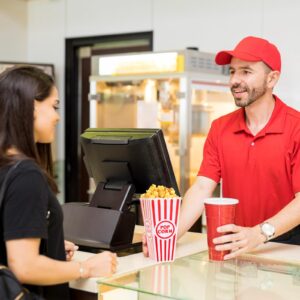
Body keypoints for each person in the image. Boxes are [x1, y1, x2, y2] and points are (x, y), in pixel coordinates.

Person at [142, 36, 300, 260]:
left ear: (272, 78)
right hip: (235, 244)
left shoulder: (296, 128)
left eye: (246, 71)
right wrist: (169, 236)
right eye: (232, 71)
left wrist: (259, 233)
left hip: (287, 247)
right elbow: (201, 189)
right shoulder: (220, 128)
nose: (235, 80)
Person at [0, 66, 117, 299]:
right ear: (32, 107)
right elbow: (24, 267)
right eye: (54, 106)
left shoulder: (5, 165)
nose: (57, 117)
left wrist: (48, 243)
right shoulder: (26, 175)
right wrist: (87, 268)